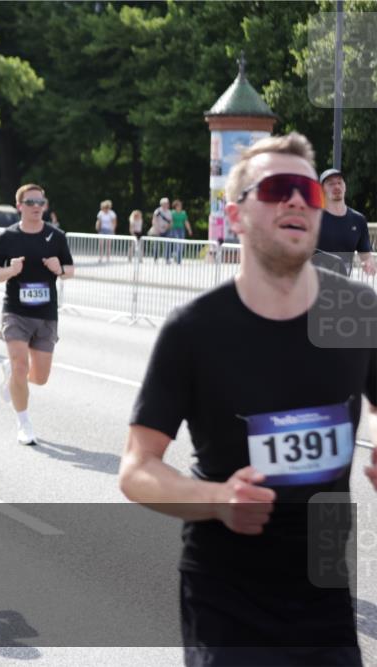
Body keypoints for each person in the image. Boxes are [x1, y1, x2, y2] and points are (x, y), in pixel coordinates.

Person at [119, 132, 377, 667]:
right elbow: (137, 468)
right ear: (236, 217)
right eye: (279, 188)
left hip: (325, 598)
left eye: (307, 190)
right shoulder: (194, 330)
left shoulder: (357, 312)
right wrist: (216, 499)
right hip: (226, 600)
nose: (297, 201)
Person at [0, 184, 75, 445]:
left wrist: (60, 269)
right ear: (20, 206)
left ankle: (12, 374)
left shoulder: (56, 236)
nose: (36, 206)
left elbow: (70, 270)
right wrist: (10, 272)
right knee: (20, 364)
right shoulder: (8, 237)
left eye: (40, 202)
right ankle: (24, 423)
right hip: (15, 311)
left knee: (40, 377)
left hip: (46, 314)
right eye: (31, 202)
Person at [313, 168, 375, 277]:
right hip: (312, 287)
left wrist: (369, 263)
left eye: (339, 182)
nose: (336, 186)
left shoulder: (358, 220)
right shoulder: (312, 218)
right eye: (331, 184)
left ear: (345, 186)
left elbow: (365, 255)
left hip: (342, 287)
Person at [167, 199, 193, 264]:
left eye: (180, 206)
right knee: (177, 243)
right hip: (174, 229)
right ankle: (175, 256)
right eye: (179, 206)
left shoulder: (183, 213)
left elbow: (186, 222)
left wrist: (189, 230)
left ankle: (178, 258)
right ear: (175, 206)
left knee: (181, 244)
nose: (180, 207)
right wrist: (168, 228)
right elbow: (171, 222)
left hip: (181, 229)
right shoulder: (172, 212)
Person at [150, 197, 173, 262]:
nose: (167, 204)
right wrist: (156, 229)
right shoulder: (157, 211)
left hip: (166, 230)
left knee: (167, 244)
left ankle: (167, 258)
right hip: (157, 230)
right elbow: (154, 220)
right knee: (156, 244)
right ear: (162, 204)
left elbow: (171, 222)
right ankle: (155, 258)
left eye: (167, 203)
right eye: (165, 203)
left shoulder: (169, 212)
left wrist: (167, 227)